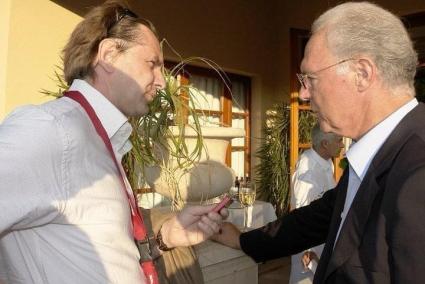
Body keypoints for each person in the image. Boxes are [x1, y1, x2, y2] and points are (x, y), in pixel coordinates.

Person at [0, 1, 227, 283]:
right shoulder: (52, 130)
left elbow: (99, 252)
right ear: (108, 55)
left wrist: (166, 237)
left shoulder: (99, 138)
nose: (162, 82)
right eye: (152, 64)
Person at [213, 2, 425, 283]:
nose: (302, 94)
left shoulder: (418, 168)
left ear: (362, 73)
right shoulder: (380, 152)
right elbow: (318, 218)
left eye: (310, 78)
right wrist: (244, 241)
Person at [289, 125, 343, 284]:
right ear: (325, 144)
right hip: (309, 243)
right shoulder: (308, 169)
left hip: (323, 238)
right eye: (339, 140)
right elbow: (302, 208)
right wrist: (308, 250)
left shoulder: (326, 163)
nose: (342, 145)